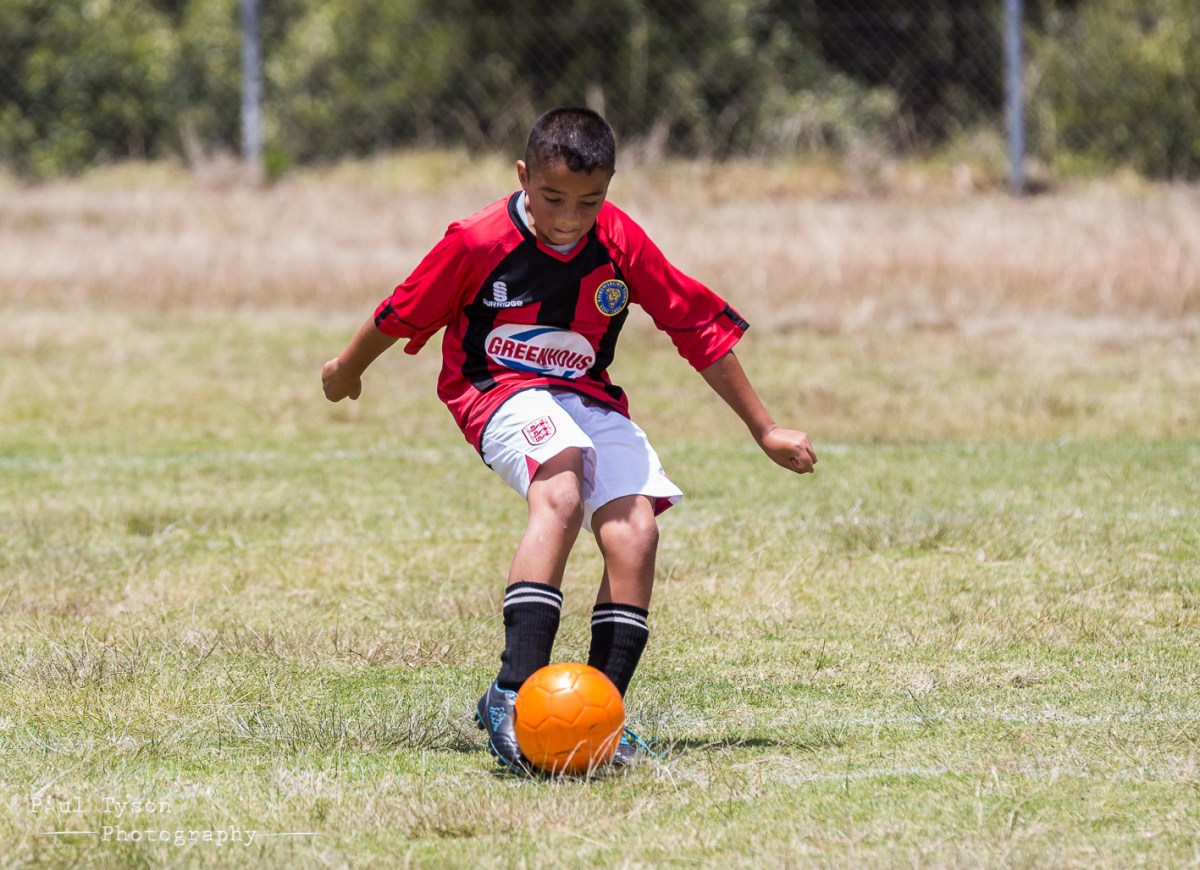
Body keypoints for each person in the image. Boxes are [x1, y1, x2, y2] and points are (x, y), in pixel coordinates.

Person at [322, 107, 816, 774]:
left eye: (590, 201)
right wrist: (347, 368)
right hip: (492, 386)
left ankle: (596, 716)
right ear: (523, 177)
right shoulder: (477, 241)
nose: (569, 218)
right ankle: (513, 693)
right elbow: (402, 309)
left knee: (636, 530)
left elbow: (694, 325)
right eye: (553, 198)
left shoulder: (619, 241)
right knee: (560, 483)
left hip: (586, 395)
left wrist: (765, 428)